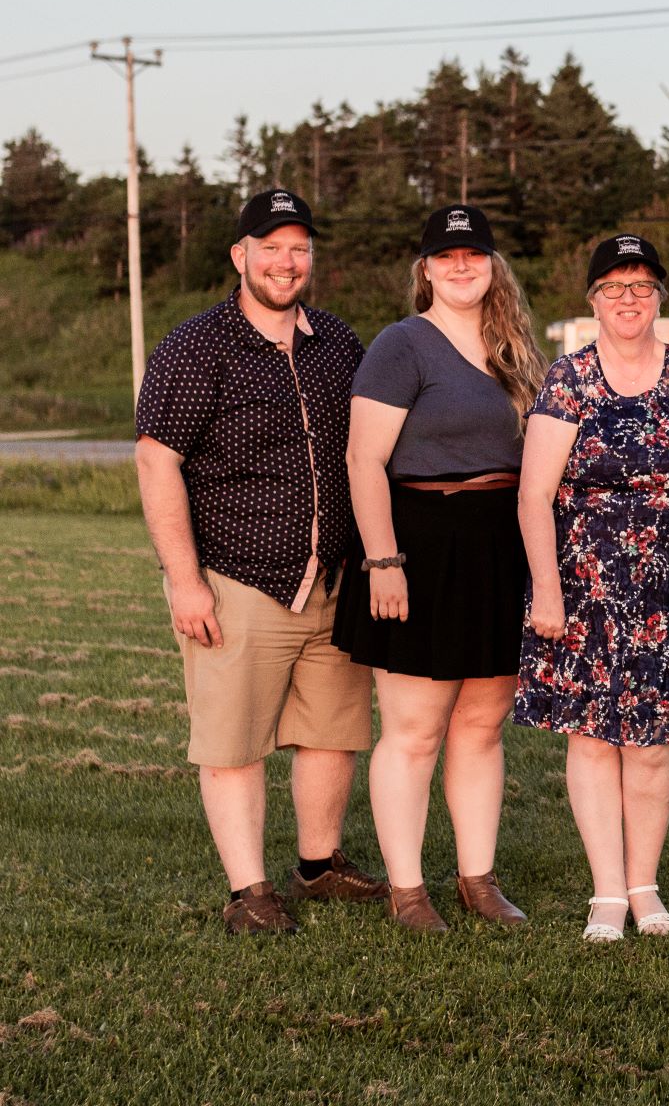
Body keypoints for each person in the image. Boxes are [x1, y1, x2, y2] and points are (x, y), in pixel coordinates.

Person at [134, 188, 387, 934]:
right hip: (239, 578)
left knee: (332, 731)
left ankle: (319, 865)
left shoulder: (340, 343)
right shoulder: (197, 346)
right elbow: (156, 462)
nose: (286, 261)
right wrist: (185, 581)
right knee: (233, 741)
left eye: (299, 248)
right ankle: (250, 891)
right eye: (270, 247)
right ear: (241, 256)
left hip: (336, 581)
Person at [333, 204, 544, 932]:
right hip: (419, 545)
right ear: (425, 267)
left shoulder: (514, 349)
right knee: (415, 729)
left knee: (483, 725)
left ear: (492, 265)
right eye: (446, 255)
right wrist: (383, 560)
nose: (462, 266)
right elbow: (364, 459)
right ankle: (407, 891)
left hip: (499, 544)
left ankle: (477, 880)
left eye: (475, 254)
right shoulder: (402, 345)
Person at [516, 234, 669, 943]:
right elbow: (532, 494)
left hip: (668, 592)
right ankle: (606, 891)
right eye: (614, 287)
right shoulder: (569, 377)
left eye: (642, 286)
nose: (628, 299)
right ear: (593, 301)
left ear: (660, 297)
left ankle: (644, 885)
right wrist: (546, 588)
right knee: (594, 741)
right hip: (582, 589)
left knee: (655, 743)